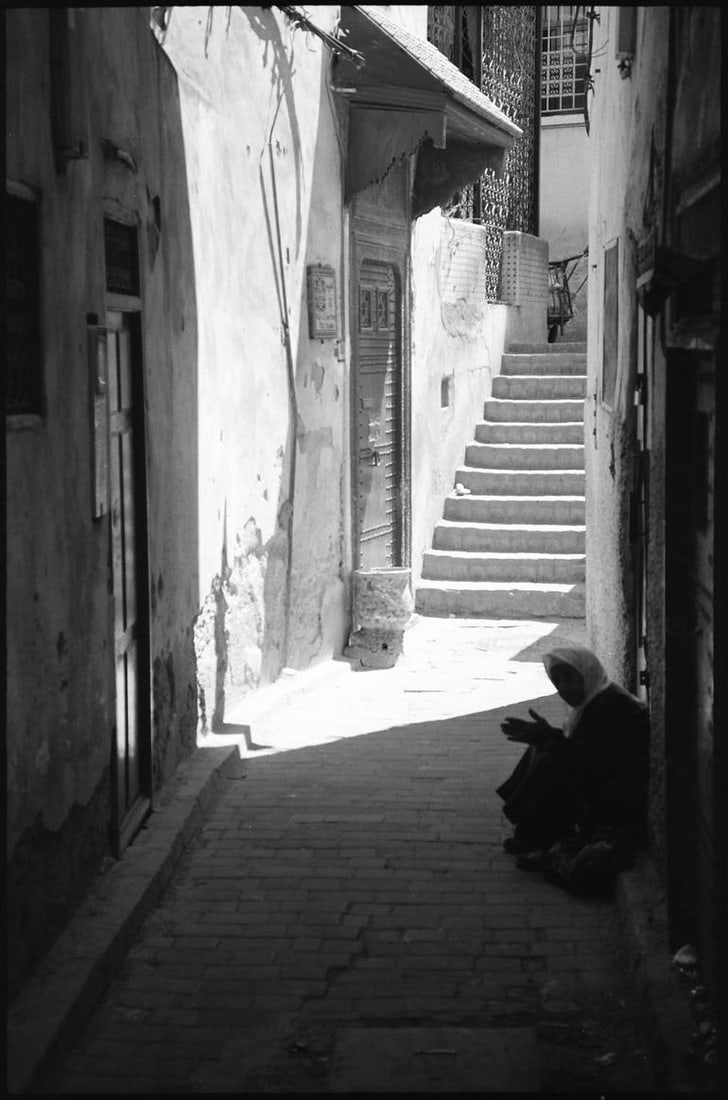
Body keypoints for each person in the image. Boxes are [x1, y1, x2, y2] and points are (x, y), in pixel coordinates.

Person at [496, 644, 649, 889]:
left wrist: (550, 738)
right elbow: (584, 750)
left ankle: (535, 836)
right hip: (604, 783)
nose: (564, 688)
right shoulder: (596, 698)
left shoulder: (609, 705)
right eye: (558, 681)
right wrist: (547, 737)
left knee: (549, 759)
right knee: (543, 747)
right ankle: (530, 831)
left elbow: (590, 762)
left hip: (618, 799)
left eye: (570, 678)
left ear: (587, 673)